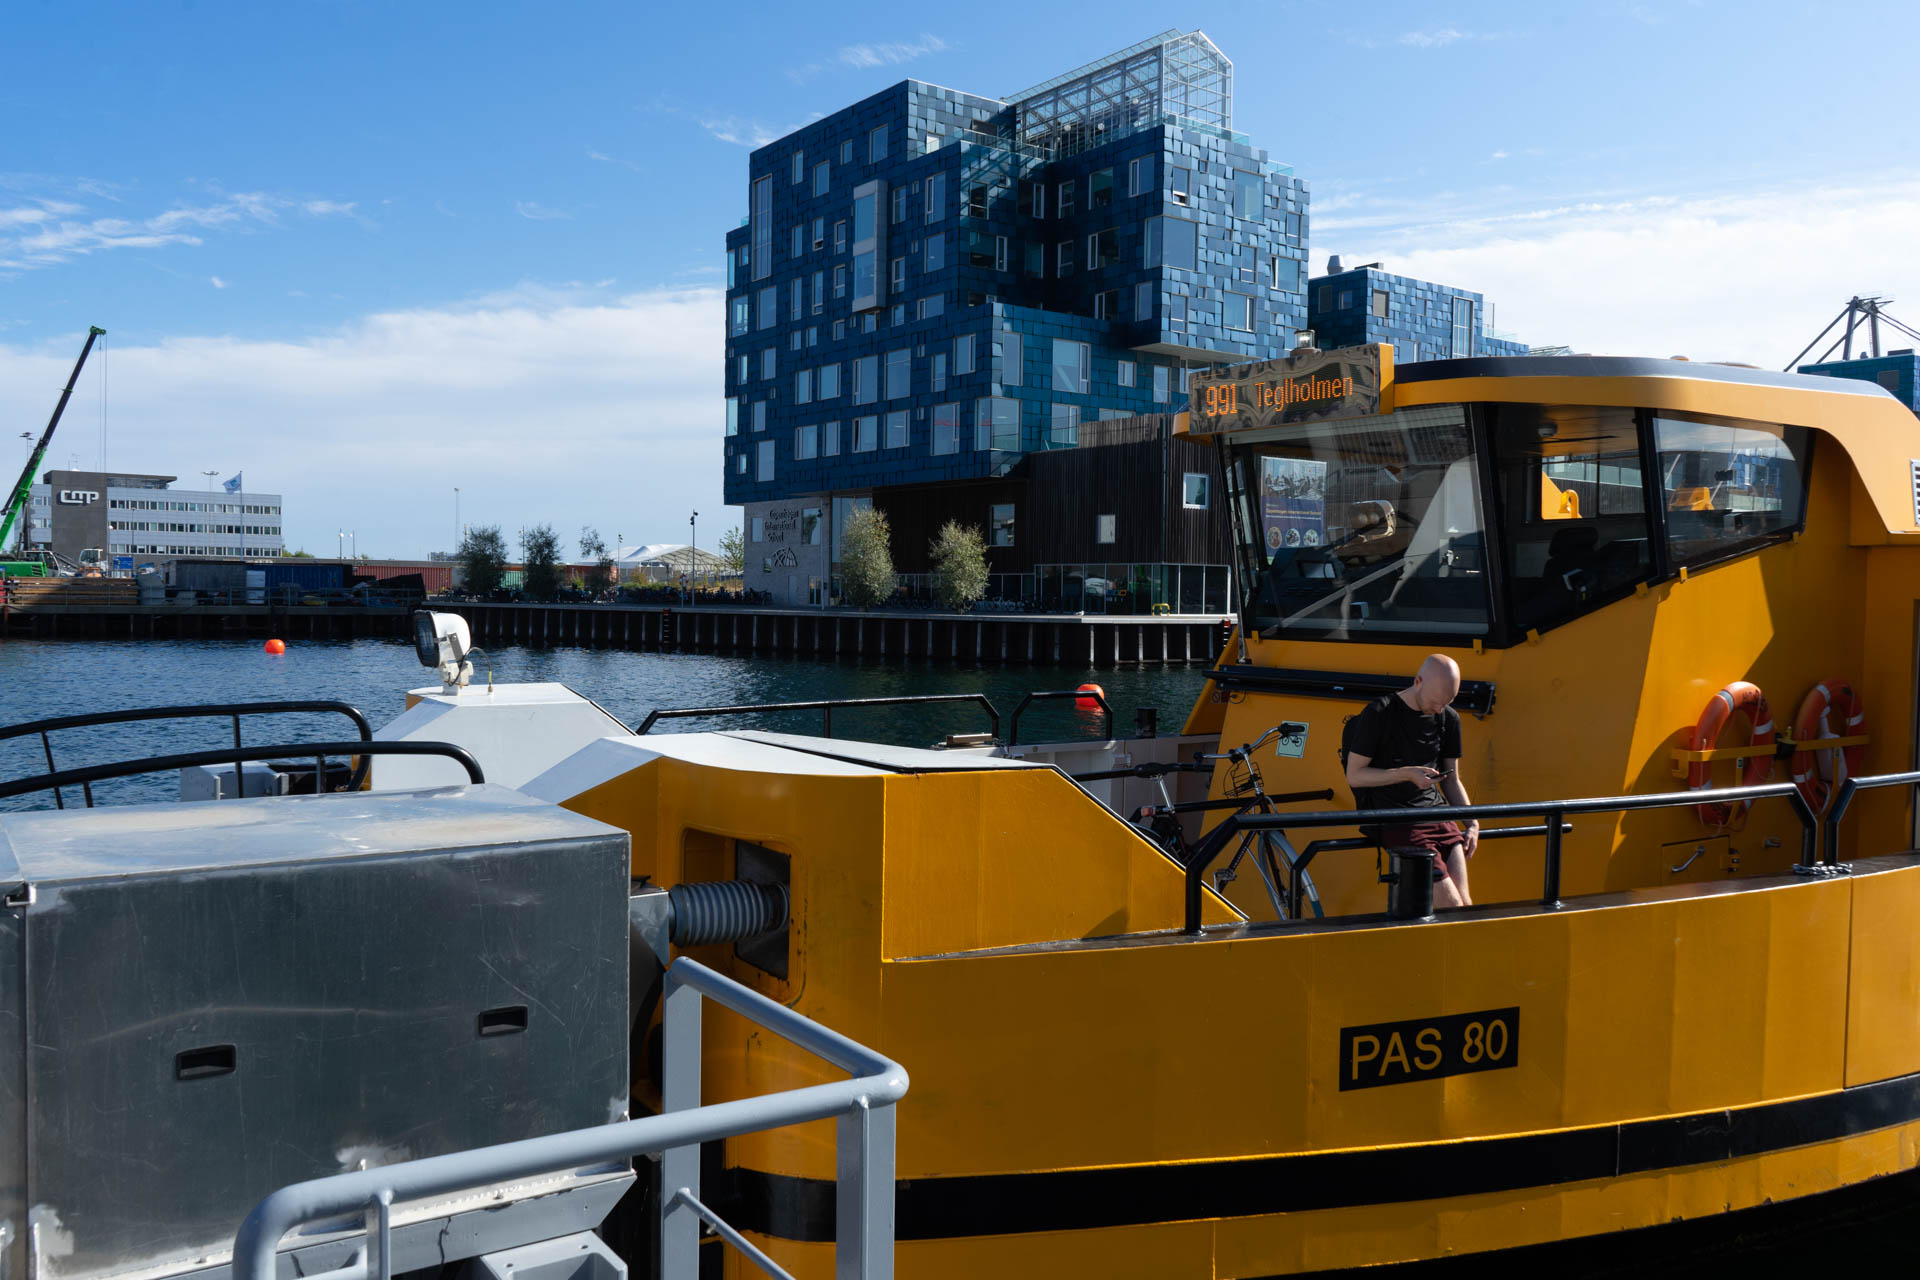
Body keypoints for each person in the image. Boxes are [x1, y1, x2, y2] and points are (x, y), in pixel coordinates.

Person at [1342, 653, 1479, 908]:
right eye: (1436, 702)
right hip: (1397, 818)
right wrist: (1406, 774)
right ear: (1418, 681)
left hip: (1437, 814)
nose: (1440, 709)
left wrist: (1472, 822)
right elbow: (1355, 774)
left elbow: (1451, 780)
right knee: (1453, 908)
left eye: (1447, 703)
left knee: (1465, 905)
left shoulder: (1448, 718)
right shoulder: (1379, 713)